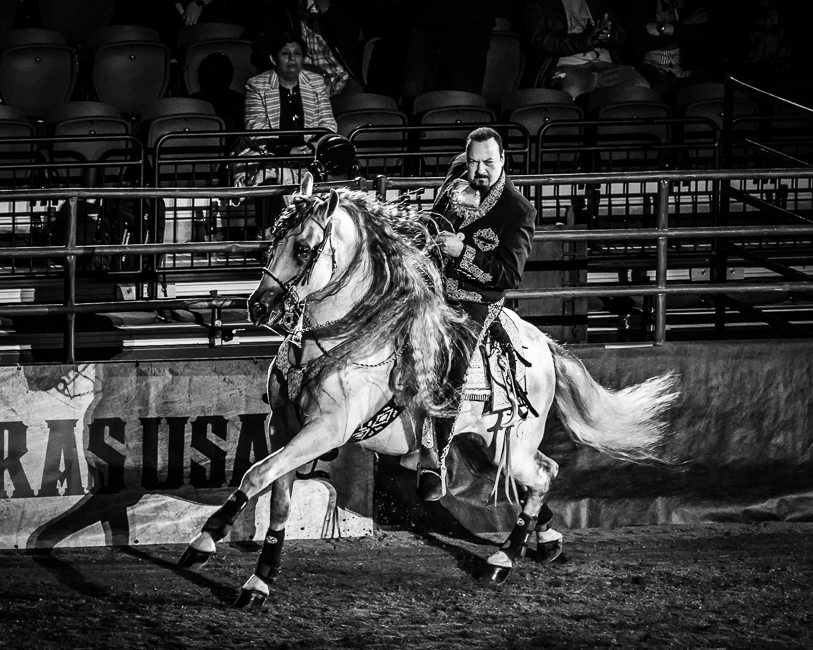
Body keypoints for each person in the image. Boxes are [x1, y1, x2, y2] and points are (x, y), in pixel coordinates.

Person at [417, 126, 536, 502]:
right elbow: (438, 218)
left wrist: (461, 253)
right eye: (472, 162)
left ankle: (435, 459)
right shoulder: (455, 181)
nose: (479, 170)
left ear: (503, 160)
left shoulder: (517, 210)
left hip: (474, 300)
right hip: (432, 285)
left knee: (451, 360)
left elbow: (508, 275)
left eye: (487, 162)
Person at [237, 30, 337, 238]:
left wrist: (310, 148)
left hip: (309, 155)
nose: (292, 59)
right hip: (271, 155)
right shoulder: (257, 85)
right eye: (286, 54)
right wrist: (289, 150)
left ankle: (318, 237)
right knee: (268, 181)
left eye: (297, 54)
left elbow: (328, 125)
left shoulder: (316, 82)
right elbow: (255, 129)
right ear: (274, 58)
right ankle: (267, 238)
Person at [519, 0, 650, 100]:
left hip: (604, 63)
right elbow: (540, 41)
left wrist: (607, 36)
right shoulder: (538, 3)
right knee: (571, 90)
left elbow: (621, 35)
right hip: (567, 65)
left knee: (640, 85)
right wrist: (584, 41)